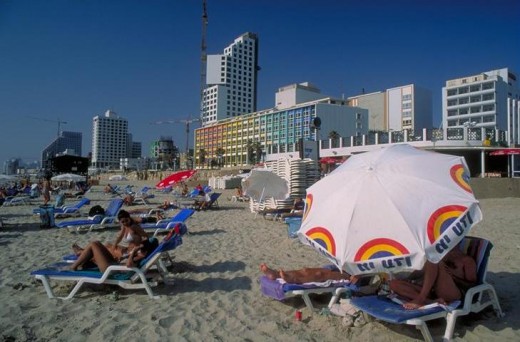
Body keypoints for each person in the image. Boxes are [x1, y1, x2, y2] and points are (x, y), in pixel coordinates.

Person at [389, 248, 477, 310]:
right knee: (393, 284)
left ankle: (421, 299)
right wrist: (408, 279)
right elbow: (422, 271)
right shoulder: (444, 255)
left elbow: (472, 286)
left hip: (452, 292)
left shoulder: (467, 261)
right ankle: (431, 302)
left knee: (434, 259)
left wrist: (454, 277)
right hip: (431, 291)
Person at [260, 263, 357, 284]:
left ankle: (293, 279)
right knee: (306, 270)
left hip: (351, 273)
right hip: (343, 265)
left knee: (319, 275)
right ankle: (276, 274)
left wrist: (350, 277)